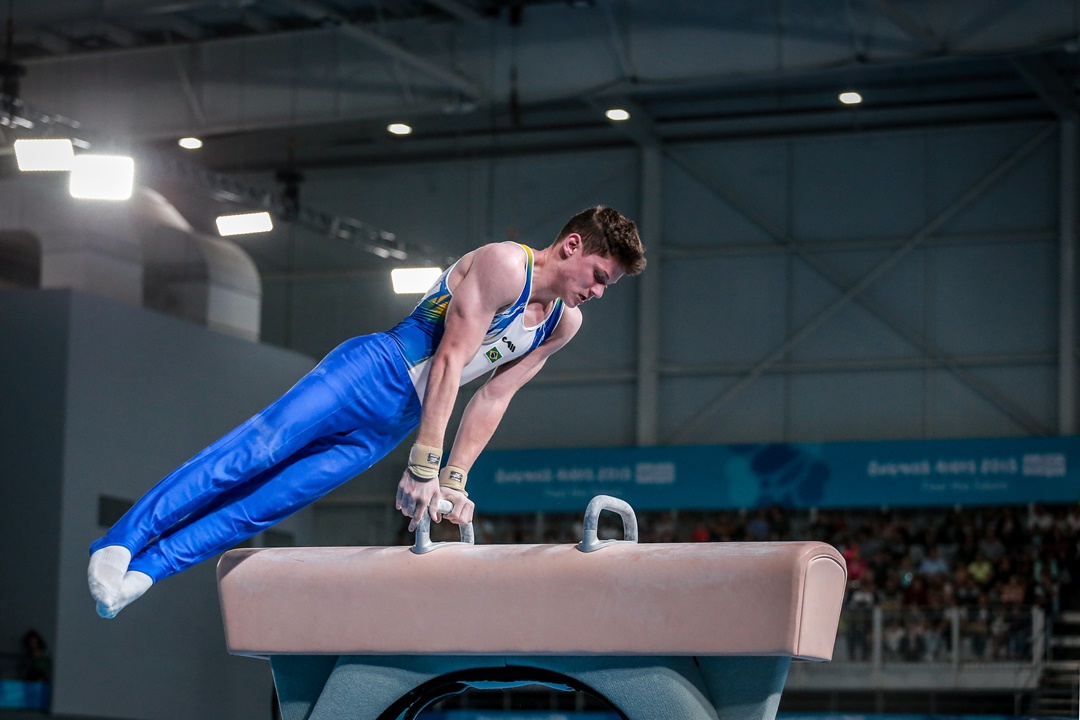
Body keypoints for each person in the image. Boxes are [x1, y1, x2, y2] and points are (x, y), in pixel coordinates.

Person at [87, 205, 646, 618]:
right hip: (369, 371)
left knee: (269, 503)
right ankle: (121, 542)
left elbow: (494, 396)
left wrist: (455, 479)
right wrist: (425, 465)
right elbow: (450, 359)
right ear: (572, 246)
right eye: (600, 276)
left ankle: (149, 569)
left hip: (395, 421)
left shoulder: (562, 324)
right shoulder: (505, 264)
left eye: (610, 286)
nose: (599, 292)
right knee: (251, 454)